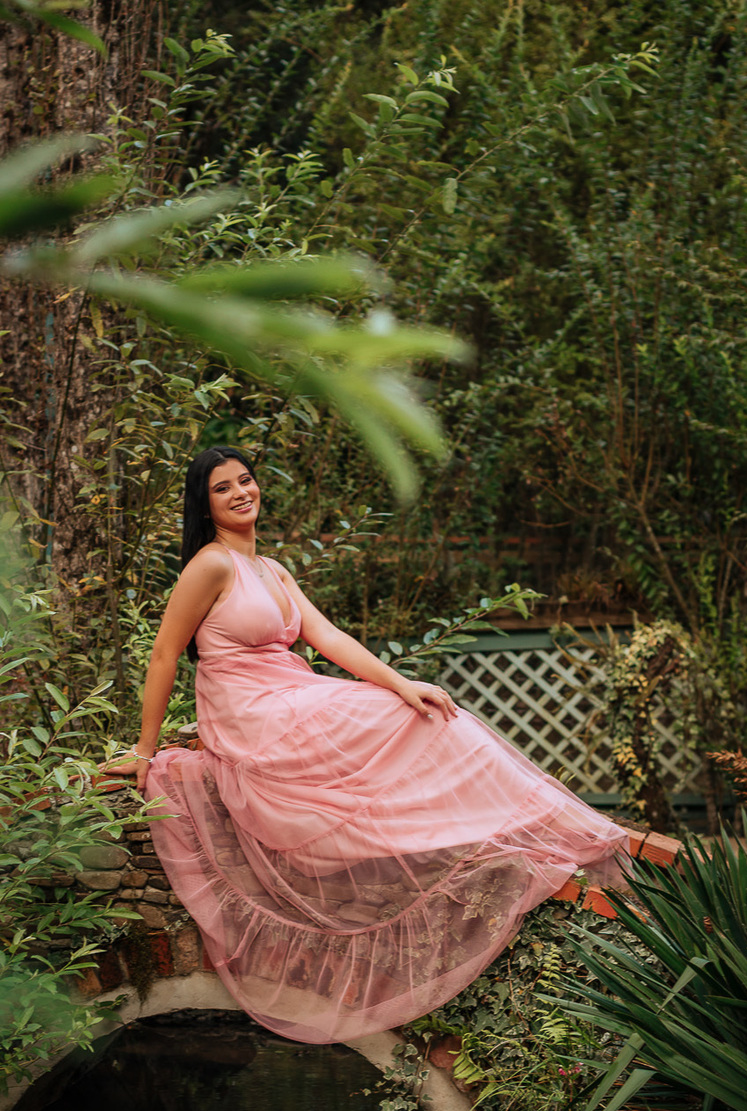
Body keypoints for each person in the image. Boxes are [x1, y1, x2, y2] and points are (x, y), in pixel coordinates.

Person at [103, 446, 630, 1044]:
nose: (240, 493)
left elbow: (327, 636)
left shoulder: (273, 570)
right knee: (386, 719)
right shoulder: (210, 565)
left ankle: (504, 828)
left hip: (289, 693)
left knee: (426, 714)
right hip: (248, 712)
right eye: (223, 489)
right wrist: (145, 753)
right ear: (205, 503)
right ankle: (485, 828)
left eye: (246, 481)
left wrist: (404, 684)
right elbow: (165, 653)